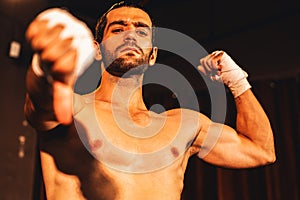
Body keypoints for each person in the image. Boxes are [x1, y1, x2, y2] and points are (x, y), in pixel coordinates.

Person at [24, 1, 276, 200]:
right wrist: (46, 69)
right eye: (119, 29)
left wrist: (236, 80)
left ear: (153, 55)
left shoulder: (184, 124)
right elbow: (40, 104)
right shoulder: (75, 109)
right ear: (97, 49)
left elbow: (260, 151)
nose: (130, 35)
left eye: (141, 30)